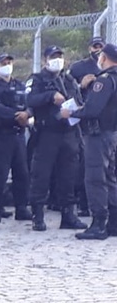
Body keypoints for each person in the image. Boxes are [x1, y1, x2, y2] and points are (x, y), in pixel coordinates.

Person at [25, 46, 87, 231]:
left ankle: (68, 215)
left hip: (69, 133)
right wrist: (50, 96)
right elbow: (29, 100)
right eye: (53, 57)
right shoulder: (37, 79)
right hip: (47, 134)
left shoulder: (68, 80)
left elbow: (78, 100)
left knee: (68, 175)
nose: (57, 60)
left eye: (60, 56)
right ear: (45, 59)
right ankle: (38, 216)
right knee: (41, 175)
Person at [61, 43, 117, 240]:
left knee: (95, 178)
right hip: (112, 134)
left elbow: (92, 109)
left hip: (98, 134)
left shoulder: (104, 80)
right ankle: (113, 222)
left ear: (105, 58)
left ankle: (98, 223)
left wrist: (72, 113)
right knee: (110, 178)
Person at [0, 53, 32, 222]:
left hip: (18, 134)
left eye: (9, 62)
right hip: (1, 135)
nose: (7, 65)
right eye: (3, 63)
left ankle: (21, 207)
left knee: (22, 173)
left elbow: (30, 104)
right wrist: (16, 115)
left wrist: (27, 114)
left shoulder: (20, 85)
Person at [69, 37, 103, 217]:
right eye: (95, 46)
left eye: (100, 47)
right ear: (89, 48)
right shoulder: (78, 67)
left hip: (106, 121)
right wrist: (80, 86)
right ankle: (83, 202)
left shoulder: (109, 69)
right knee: (85, 163)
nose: (97, 50)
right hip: (83, 121)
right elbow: (67, 89)